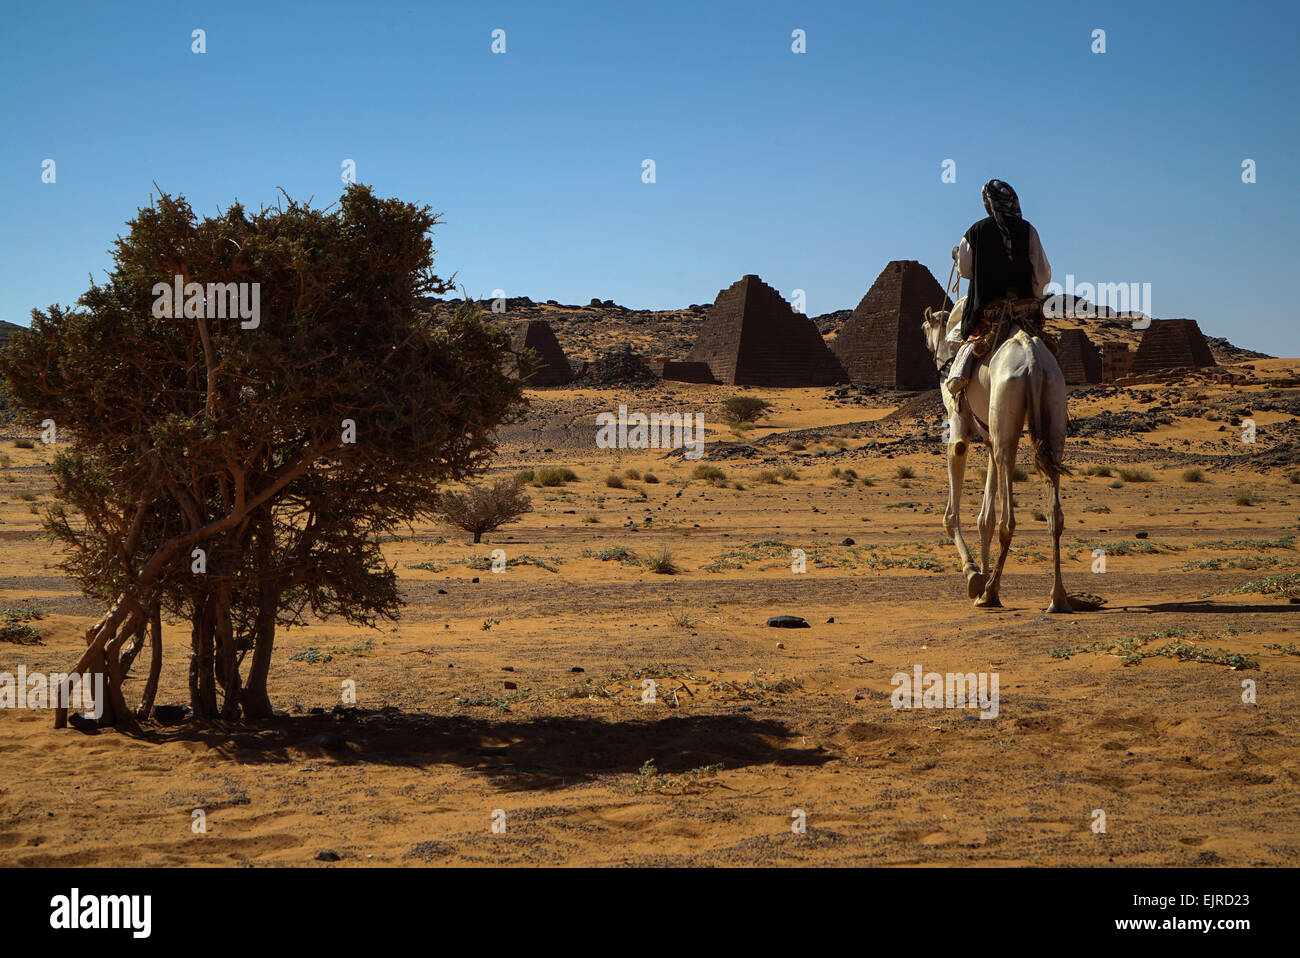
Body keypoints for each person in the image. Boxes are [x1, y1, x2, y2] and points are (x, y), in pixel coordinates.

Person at [945, 180, 1052, 396]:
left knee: (966, 343)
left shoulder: (975, 231)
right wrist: (1035, 295)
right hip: (1025, 309)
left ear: (987, 203)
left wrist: (958, 257)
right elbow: (1042, 274)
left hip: (988, 311)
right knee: (1048, 350)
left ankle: (957, 390)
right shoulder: (1028, 231)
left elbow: (965, 271)